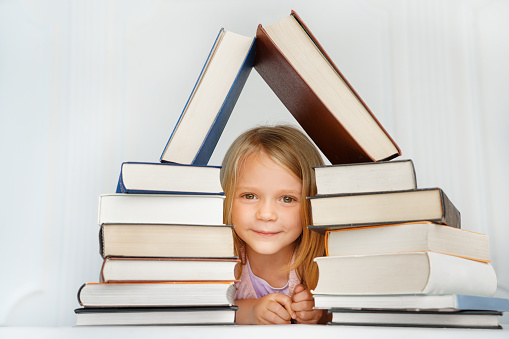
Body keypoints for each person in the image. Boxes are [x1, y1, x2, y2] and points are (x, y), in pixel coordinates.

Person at [220, 125, 329, 325]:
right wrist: (251, 311)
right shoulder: (222, 262)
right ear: (226, 198)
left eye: (287, 199)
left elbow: (350, 315)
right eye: (250, 196)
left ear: (311, 203)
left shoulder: (318, 262)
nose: (266, 214)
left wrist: (319, 313)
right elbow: (208, 311)